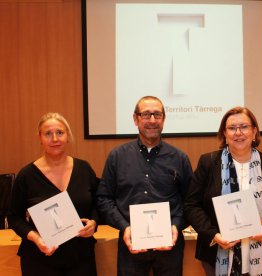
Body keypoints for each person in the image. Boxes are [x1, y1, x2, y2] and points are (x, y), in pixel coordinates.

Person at [184, 106, 262, 276]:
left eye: (244, 127)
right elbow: (191, 205)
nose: (238, 133)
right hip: (217, 253)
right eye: (232, 128)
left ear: (254, 131)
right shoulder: (208, 163)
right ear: (224, 135)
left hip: (261, 252)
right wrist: (213, 235)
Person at [96, 96, 193, 276]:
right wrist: (125, 227)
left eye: (157, 114)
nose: (152, 120)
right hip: (130, 243)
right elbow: (104, 199)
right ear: (135, 119)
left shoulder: (179, 158)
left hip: (170, 246)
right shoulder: (117, 157)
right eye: (146, 114)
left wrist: (175, 226)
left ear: (164, 119)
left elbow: (190, 201)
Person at [8, 112, 99, 276]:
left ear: (68, 136)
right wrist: (36, 238)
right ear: (40, 138)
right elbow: (14, 217)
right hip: (40, 258)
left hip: (81, 258)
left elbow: (97, 205)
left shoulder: (84, 169)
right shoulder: (27, 175)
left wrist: (94, 223)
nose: (55, 139)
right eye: (48, 134)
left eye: (60, 132)